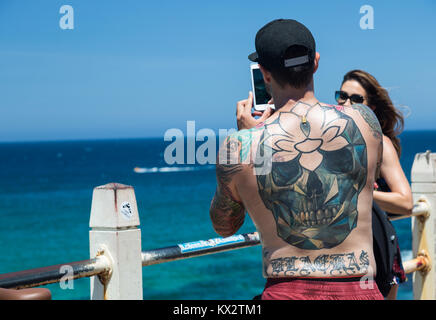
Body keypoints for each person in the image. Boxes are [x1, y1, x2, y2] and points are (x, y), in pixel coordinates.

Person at [209, 19, 384, 300]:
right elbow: (368, 178)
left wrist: (249, 140)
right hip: (359, 287)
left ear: (265, 74)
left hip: (286, 291)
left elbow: (225, 225)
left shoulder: (239, 146)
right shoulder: (364, 122)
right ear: (315, 62)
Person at [335, 70, 413, 299]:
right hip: (341, 254)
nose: (347, 103)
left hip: (377, 252)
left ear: (372, 107)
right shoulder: (331, 142)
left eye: (357, 99)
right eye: (342, 95)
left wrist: (360, 192)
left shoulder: (380, 143)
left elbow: (406, 202)